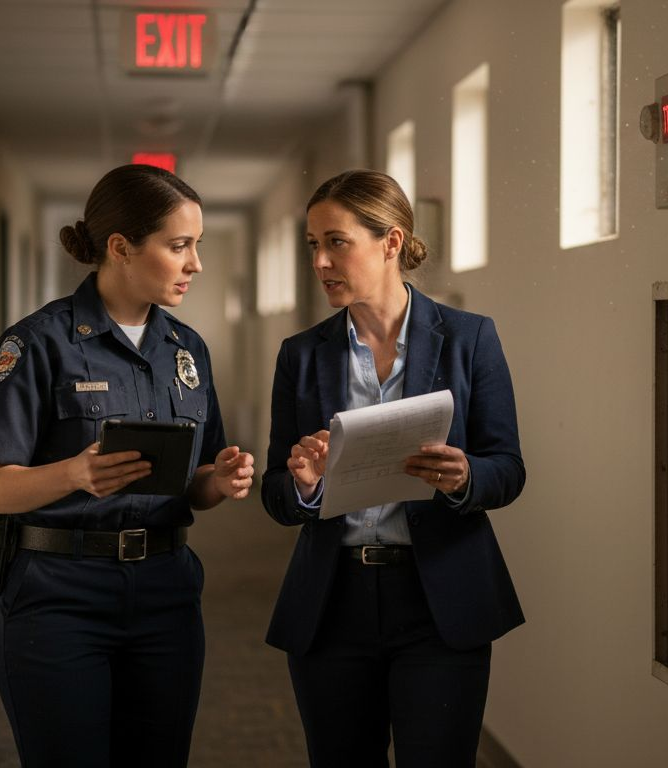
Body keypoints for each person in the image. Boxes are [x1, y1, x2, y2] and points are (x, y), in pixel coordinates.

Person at [0, 164, 254, 767]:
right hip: (58, 596)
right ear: (121, 248)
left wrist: (219, 481)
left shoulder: (187, 350)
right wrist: (73, 474)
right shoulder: (39, 343)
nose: (195, 264)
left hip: (165, 593)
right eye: (179, 246)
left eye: (197, 246)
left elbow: (193, 484)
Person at [261, 169, 526, 768]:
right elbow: (275, 494)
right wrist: (302, 485)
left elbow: (507, 467)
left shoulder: (469, 339)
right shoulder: (301, 356)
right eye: (313, 245)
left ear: (391, 242)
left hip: (438, 601)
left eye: (337, 242)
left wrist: (463, 477)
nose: (321, 260)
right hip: (333, 604)